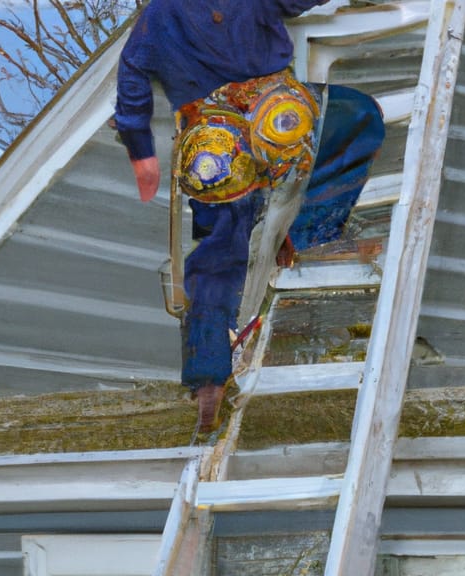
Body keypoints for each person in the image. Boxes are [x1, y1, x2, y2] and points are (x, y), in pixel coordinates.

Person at [114, 0, 385, 433]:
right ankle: (305, 236)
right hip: (277, 115)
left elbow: (132, 72)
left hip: (212, 137)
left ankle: (208, 377)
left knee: (220, 248)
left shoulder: (159, 13)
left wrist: (140, 151)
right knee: (358, 118)